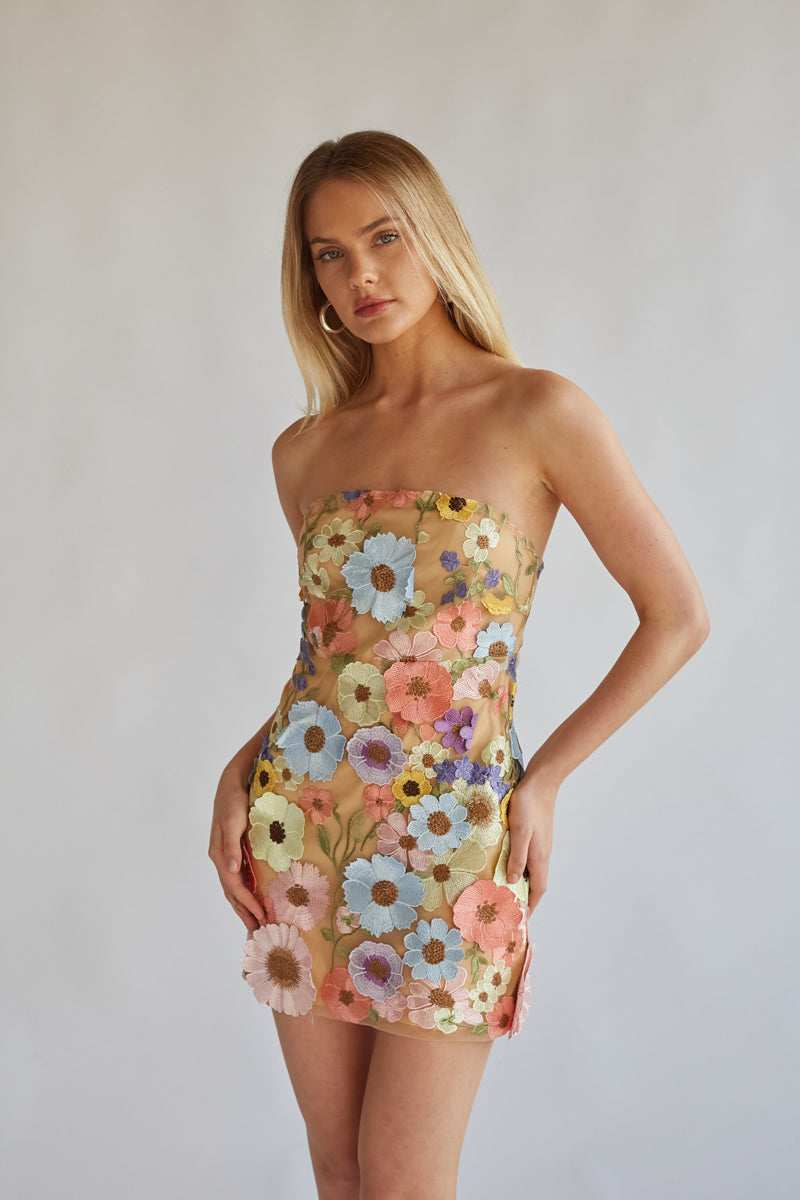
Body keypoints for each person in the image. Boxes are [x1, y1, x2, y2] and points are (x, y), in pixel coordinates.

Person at [208, 130, 709, 1200]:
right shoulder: (304, 452)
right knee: (339, 1173)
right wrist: (238, 769)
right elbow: (336, 659)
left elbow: (675, 615)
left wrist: (546, 779)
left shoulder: (537, 411)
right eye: (329, 254)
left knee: (401, 1181)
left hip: (456, 841)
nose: (361, 274)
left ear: (435, 235)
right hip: (302, 824)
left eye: (383, 237)